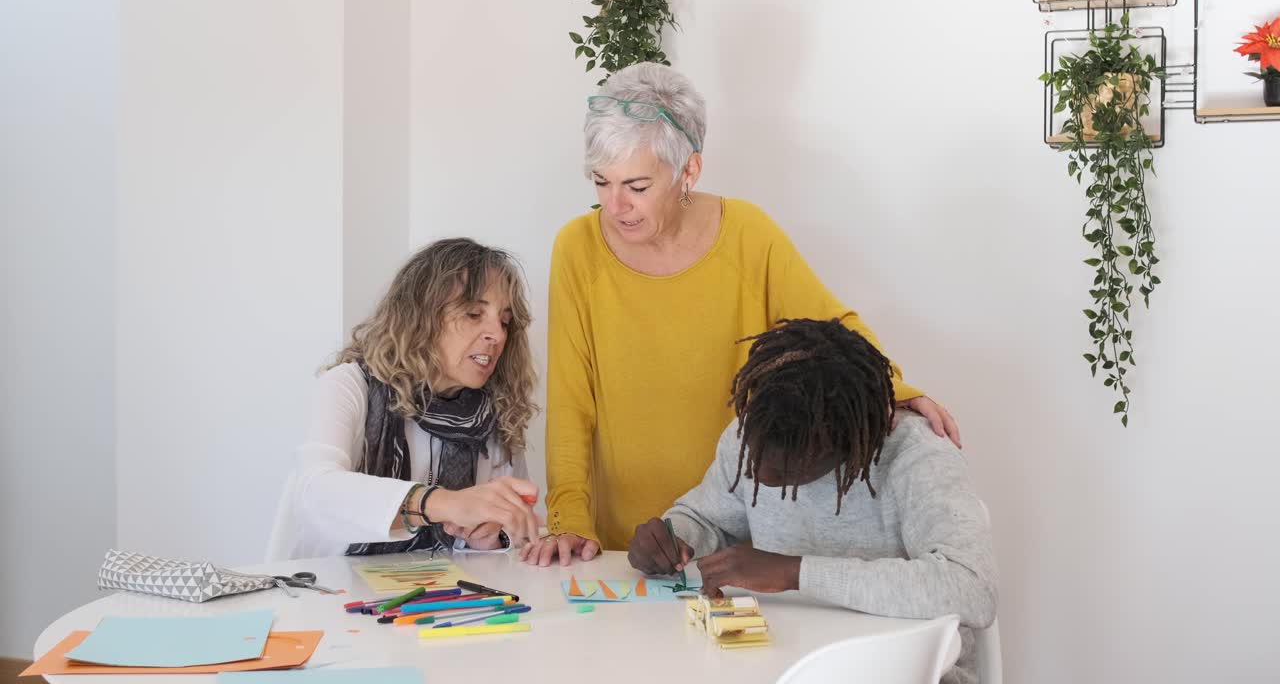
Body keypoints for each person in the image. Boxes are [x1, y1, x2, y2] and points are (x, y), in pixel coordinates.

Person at [522, 62, 960, 566]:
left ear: (689, 170)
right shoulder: (576, 247)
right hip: (624, 542)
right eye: (601, 182)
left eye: (637, 186)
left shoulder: (748, 234)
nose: (615, 205)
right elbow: (570, 403)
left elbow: (832, 330)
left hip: (737, 530)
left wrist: (897, 390)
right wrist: (569, 519)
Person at [629, 318, 996, 684]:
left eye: (787, 468)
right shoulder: (754, 434)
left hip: (906, 672)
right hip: (780, 665)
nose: (759, 474)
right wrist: (675, 537)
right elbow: (709, 517)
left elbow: (970, 587)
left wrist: (794, 572)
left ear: (851, 447)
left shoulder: (920, 456)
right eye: (755, 453)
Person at [266, 238, 541, 560]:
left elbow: (514, 543)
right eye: (473, 314)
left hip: (440, 600)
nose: (497, 334)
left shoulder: (496, 414)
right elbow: (314, 491)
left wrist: (489, 538)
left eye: (505, 321)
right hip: (323, 595)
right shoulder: (351, 384)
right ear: (420, 316)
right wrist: (442, 503)